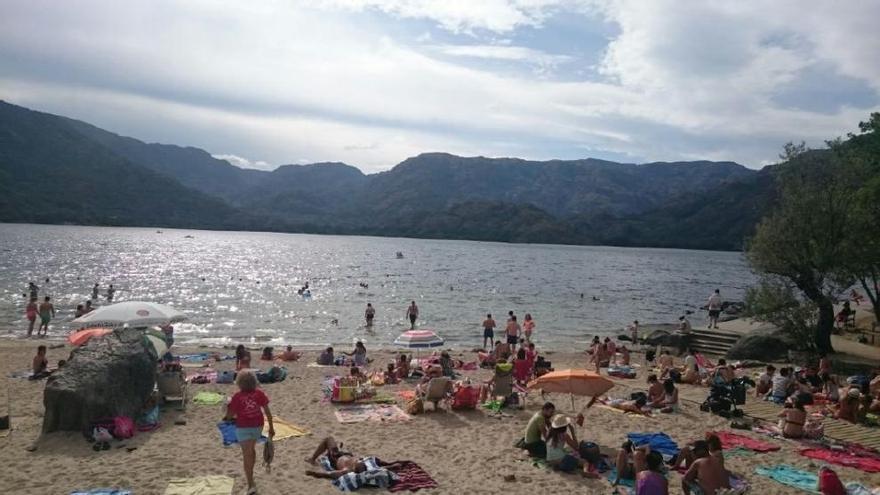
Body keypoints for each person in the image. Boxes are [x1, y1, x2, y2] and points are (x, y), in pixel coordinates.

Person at [225, 371, 274, 495]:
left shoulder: (236, 397)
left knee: (247, 454)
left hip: (243, 428)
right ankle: (251, 478)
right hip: (257, 427)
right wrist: (271, 428)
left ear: (239, 382)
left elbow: (229, 416)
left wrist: (227, 408)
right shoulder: (259, 394)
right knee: (250, 450)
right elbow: (268, 412)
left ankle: (251, 483)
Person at [305, 436, 404, 481]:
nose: (359, 461)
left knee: (328, 439)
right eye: (359, 461)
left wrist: (314, 474)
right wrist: (392, 465)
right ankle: (322, 455)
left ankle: (312, 459)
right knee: (375, 460)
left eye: (357, 462)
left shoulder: (347, 470)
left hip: (336, 457)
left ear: (354, 467)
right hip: (344, 454)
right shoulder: (361, 465)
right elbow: (379, 469)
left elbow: (330, 475)